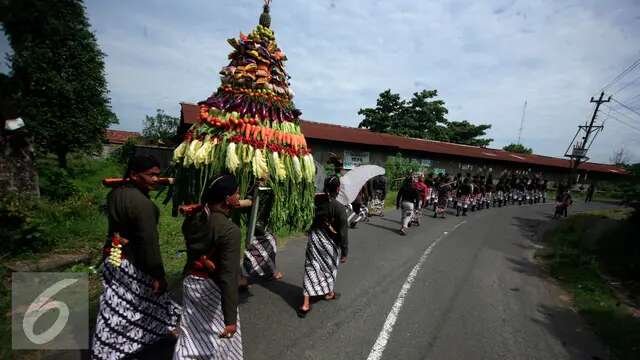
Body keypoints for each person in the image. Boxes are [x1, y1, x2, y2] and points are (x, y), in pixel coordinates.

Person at [92, 155, 180, 360]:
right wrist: (158, 274)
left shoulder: (115, 193)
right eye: (150, 175)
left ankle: (154, 334)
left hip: (114, 253)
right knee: (131, 301)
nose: (156, 179)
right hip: (133, 260)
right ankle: (110, 347)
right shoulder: (142, 204)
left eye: (158, 175)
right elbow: (148, 243)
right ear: (134, 174)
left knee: (119, 294)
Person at [174, 174, 244, 359]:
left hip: (191, 283)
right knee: (218, 339)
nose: (239, 196)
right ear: (227, 198)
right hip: (212, 288)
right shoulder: (230, 230)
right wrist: (230, 320)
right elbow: (229, 276)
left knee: (190, 333)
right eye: (236, 193)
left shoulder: (193, 219)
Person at [298, 176, 348, 317]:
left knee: (311, 267)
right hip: (329, 243)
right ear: (338, 189)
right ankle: (329, 293)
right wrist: (345, 252)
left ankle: (305, 303)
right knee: (329, 268)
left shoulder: (316, 200)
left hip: (314, 239)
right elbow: (343, 233)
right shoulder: (339, 208)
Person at [242, 187, 284, 281]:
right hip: (255, 225)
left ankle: (269, 272)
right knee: (262, 246)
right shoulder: (252, 188)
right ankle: (251, 273)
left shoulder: (268, 188)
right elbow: (249, 202)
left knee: (270, 244)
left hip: (262, 224)